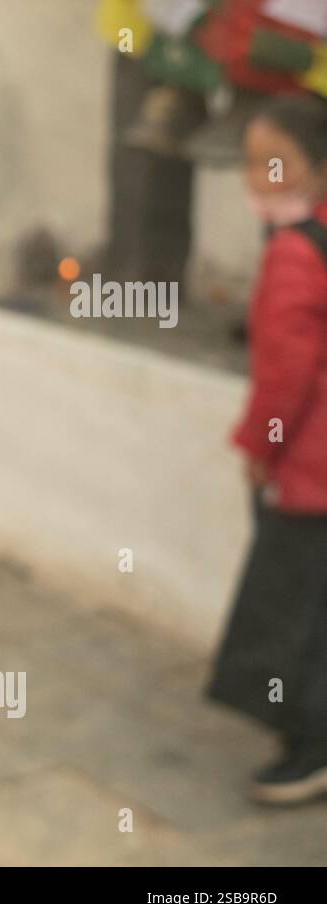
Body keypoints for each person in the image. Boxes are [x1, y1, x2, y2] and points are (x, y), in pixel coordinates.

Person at [209, 92, 327, 805]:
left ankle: (309, 744)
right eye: (252, 163)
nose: (259, 177)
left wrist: (261, 448)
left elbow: (285, 374)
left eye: (275, 163)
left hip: (308, 470)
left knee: (290, 614)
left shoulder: (293, 253)